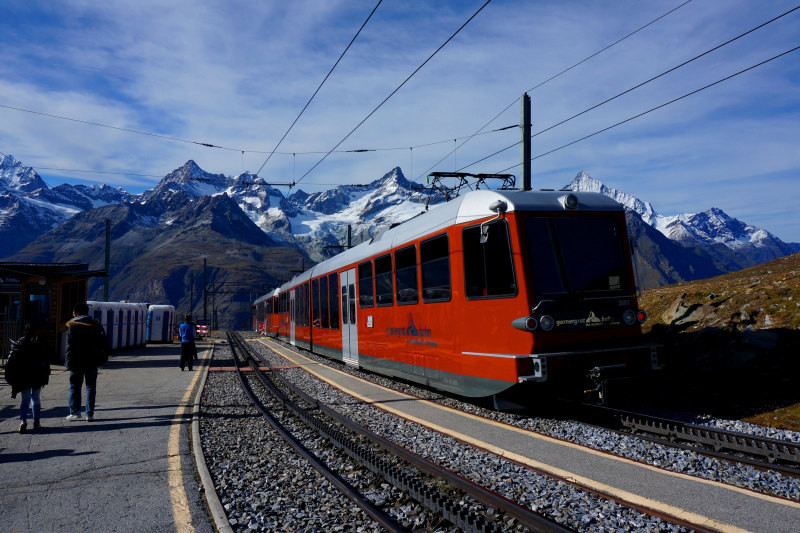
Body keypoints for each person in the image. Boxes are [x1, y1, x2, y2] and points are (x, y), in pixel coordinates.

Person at [65, 302, 105, 421]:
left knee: (74, 386)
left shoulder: (73, 326)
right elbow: (103, 342)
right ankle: (90, 414)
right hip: (92, 361)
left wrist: (68, 364)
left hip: (77, 362)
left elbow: (69, 347)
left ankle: (75, 412)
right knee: (90, 387)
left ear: (76, 313)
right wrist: (101, 358)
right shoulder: (96, 325)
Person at [7, 324, 50, 433]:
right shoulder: (38, 342)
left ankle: (23, 420)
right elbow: (44, 361)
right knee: (35, 398)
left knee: (24, 400)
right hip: (36, 376)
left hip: (23, 377)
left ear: (24, 332)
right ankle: (36, 422)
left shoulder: (19, 343)